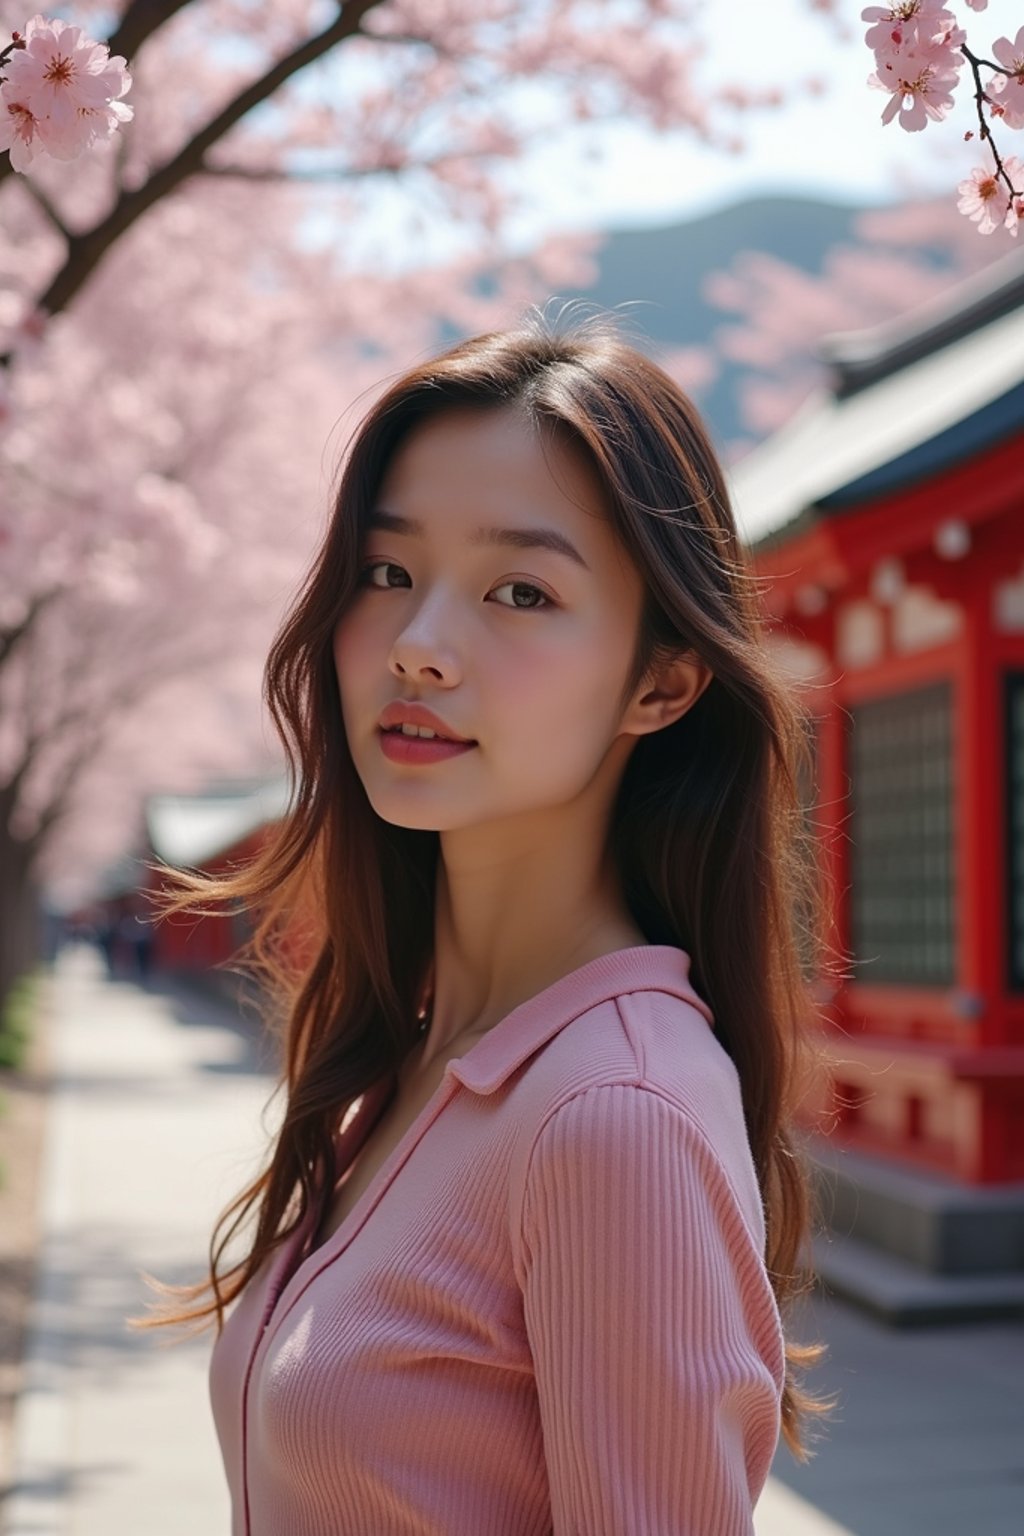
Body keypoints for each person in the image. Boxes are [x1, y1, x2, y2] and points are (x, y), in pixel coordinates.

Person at [130, 305, 839, 1532]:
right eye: (389, 574)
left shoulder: (610, 1119)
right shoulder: (413, 1058)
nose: (420, 646)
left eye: (519, 590)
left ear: (660, 684)